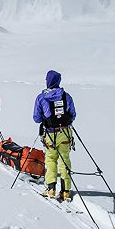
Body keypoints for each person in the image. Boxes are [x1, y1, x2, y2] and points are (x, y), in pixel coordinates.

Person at [33, 70, 76, 201]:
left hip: (50, 135)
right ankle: (65, 190)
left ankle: (51, 188)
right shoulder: (66, 96)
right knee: (65, 160)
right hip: (65, 133)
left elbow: (36, 118)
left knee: (51, 160)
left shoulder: (41, 98)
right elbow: (73, 114)